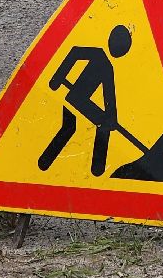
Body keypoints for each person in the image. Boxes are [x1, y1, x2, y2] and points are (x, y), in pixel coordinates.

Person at [37, 25, 133, 177]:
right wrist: (57, 78)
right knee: (102, 126)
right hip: (78, 100)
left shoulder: (104, 63)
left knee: (68, 128)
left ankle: (44, 162)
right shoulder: (103, 61)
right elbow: (75, 52)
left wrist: (112, 116)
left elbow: (109, 96)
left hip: (73, 98)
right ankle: (97, 168)